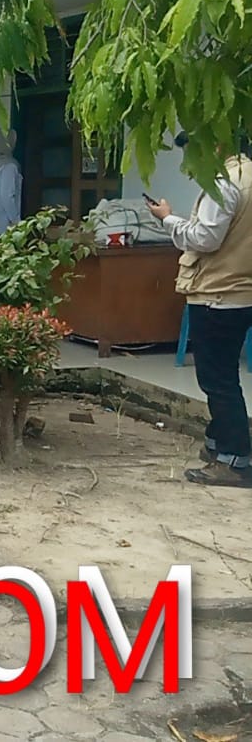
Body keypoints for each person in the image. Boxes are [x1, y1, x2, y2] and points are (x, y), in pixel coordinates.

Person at [148, 140, 252, 488]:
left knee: (218, 379)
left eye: (191, 150)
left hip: (218, 292)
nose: (187, 160)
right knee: (221, 375)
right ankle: (217, 442)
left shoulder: (224, 182)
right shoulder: (248, 175)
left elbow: (205, 238)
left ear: (215, 144)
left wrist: (167, 219)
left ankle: (234, 460)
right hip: (241, 290)